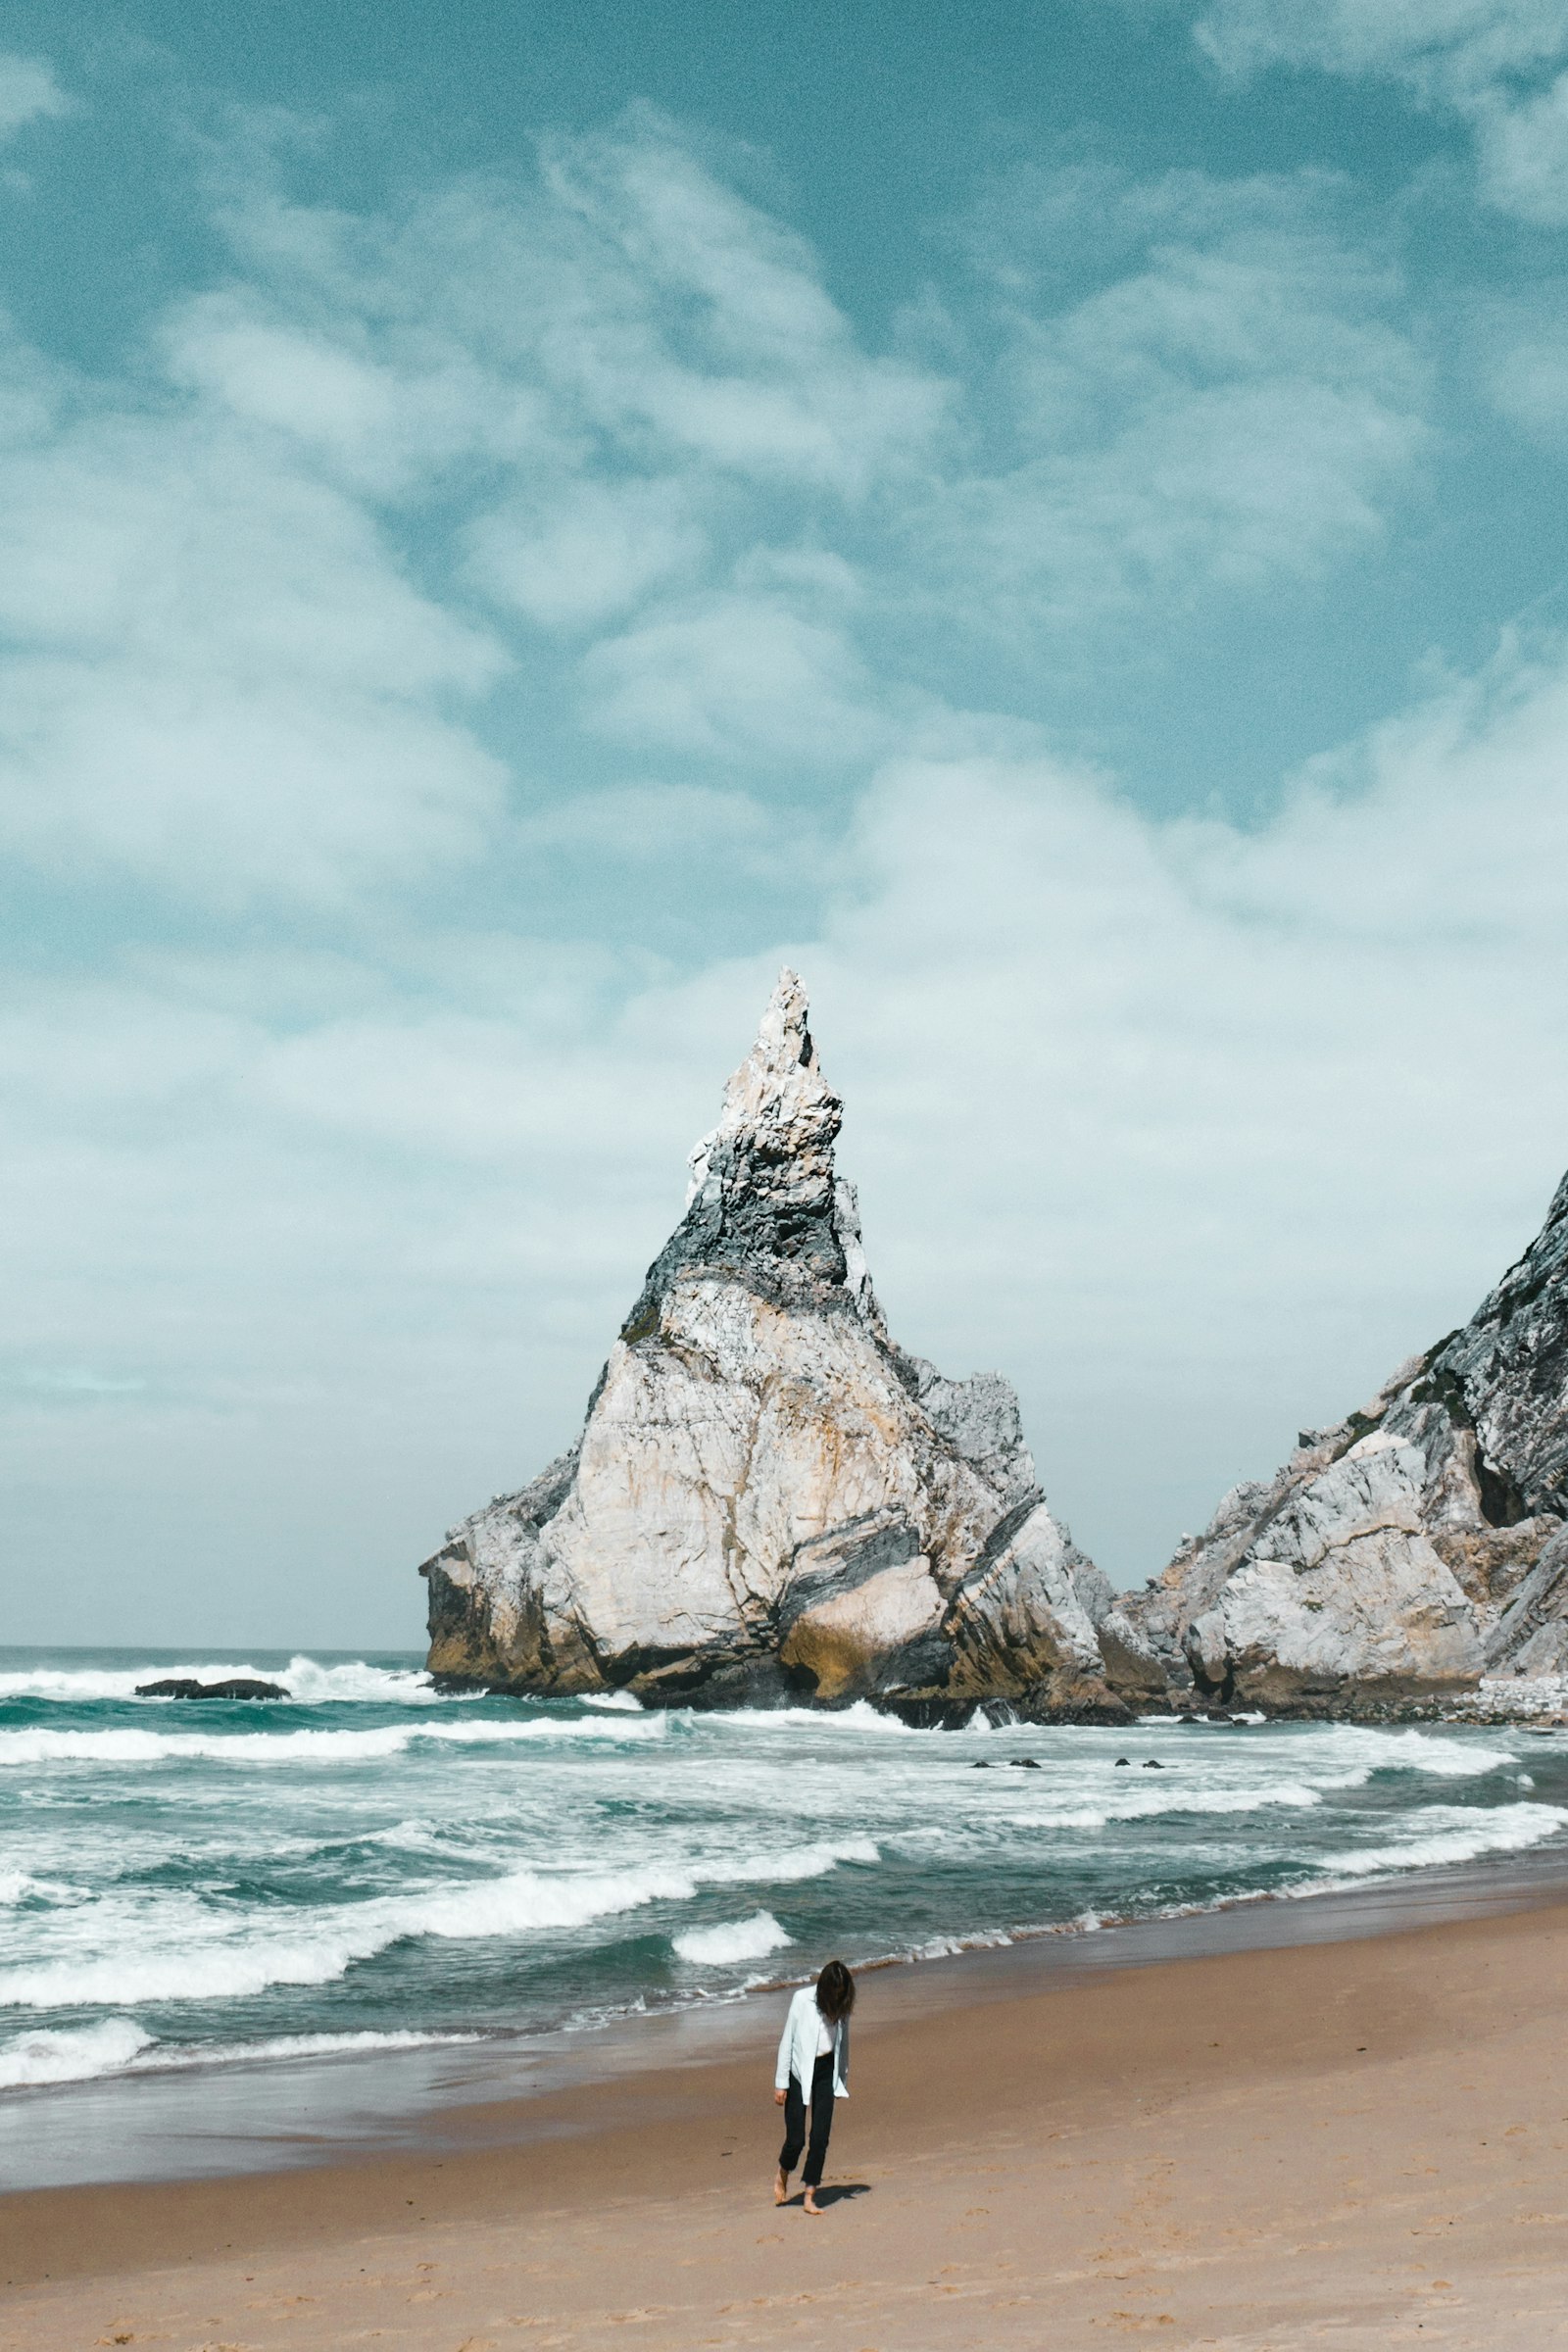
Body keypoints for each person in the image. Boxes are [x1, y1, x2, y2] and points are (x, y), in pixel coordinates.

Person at [773, 1958, 854, 2216]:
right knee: (796, 2140)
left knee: (820, 2137)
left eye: (842, 1994)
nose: (838, 1998)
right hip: (799, 2072)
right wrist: (780, 2083)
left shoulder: (842, 2008)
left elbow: (843, 2045)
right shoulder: (801, 2000)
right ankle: (784, 2171)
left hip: (825, 2072)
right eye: (835, 1993)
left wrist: (841, 2080)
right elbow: (787, 2041)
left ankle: (810, 2194)